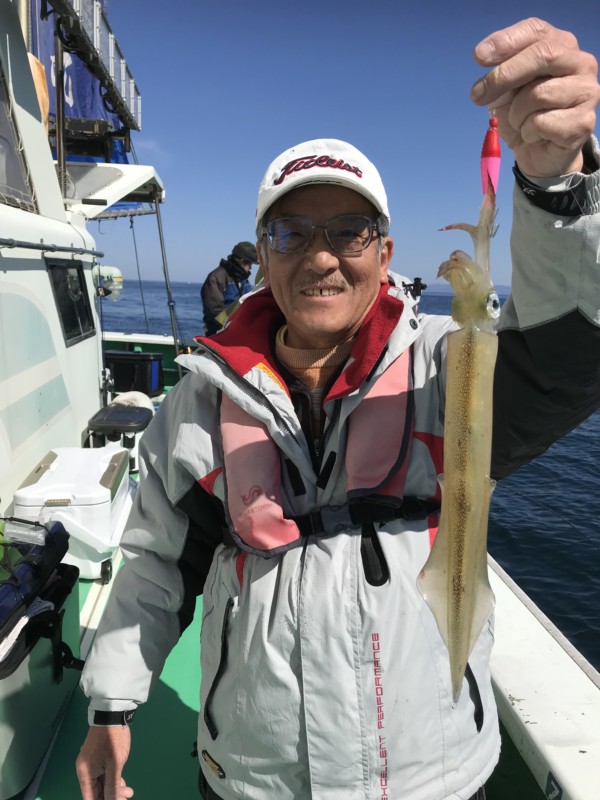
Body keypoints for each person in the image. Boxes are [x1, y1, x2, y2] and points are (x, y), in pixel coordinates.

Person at [76, 18, 600, 800]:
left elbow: (571, 348)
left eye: (350, 231)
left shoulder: (448, 368)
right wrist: (112, 704)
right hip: (252, 779)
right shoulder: (201, 401)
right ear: (264, 252)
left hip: (437, 778)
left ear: (384, 254)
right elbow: (156, 560)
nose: (321, 255)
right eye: (292, 231)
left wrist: (559, 190)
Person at [201, 241, 258, 334]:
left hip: (239, 332)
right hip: (218, 334)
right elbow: (215, 312)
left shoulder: (244, 279)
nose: (250, 268)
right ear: (242, 262)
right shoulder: (215, 278)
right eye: (250, 264)